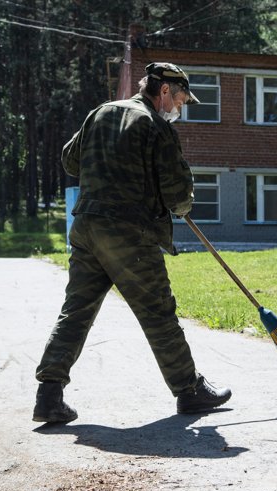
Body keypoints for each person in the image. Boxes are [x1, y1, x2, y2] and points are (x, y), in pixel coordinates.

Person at [33, 62, 231, 423]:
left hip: (87, 228)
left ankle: (49, 394)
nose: (181, 109)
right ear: (166, 91)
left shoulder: (101, 112)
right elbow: (176, 194)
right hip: (128, 233)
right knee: (158, 311)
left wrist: (106, 161)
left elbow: (69, 160)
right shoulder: (156, 127)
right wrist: (182, 202)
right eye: (182, 100)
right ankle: (189, 391)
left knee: (76, 311)